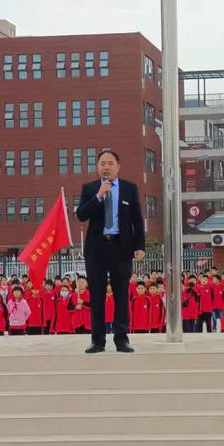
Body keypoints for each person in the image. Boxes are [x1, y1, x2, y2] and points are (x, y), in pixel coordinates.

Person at [76, 150, 145, 354]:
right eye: (102, 163)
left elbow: (137, 219)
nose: (106, 167)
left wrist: (139, 245)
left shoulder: (129, 189)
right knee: (96, 295)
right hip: (96, 248)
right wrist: (99, 195)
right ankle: (98, 340)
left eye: (110, 163)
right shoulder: (89, 189)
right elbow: (81, 215)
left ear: (118, 166)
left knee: (121, 294)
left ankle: (121, 338)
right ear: (98, 167)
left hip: (120, 247)